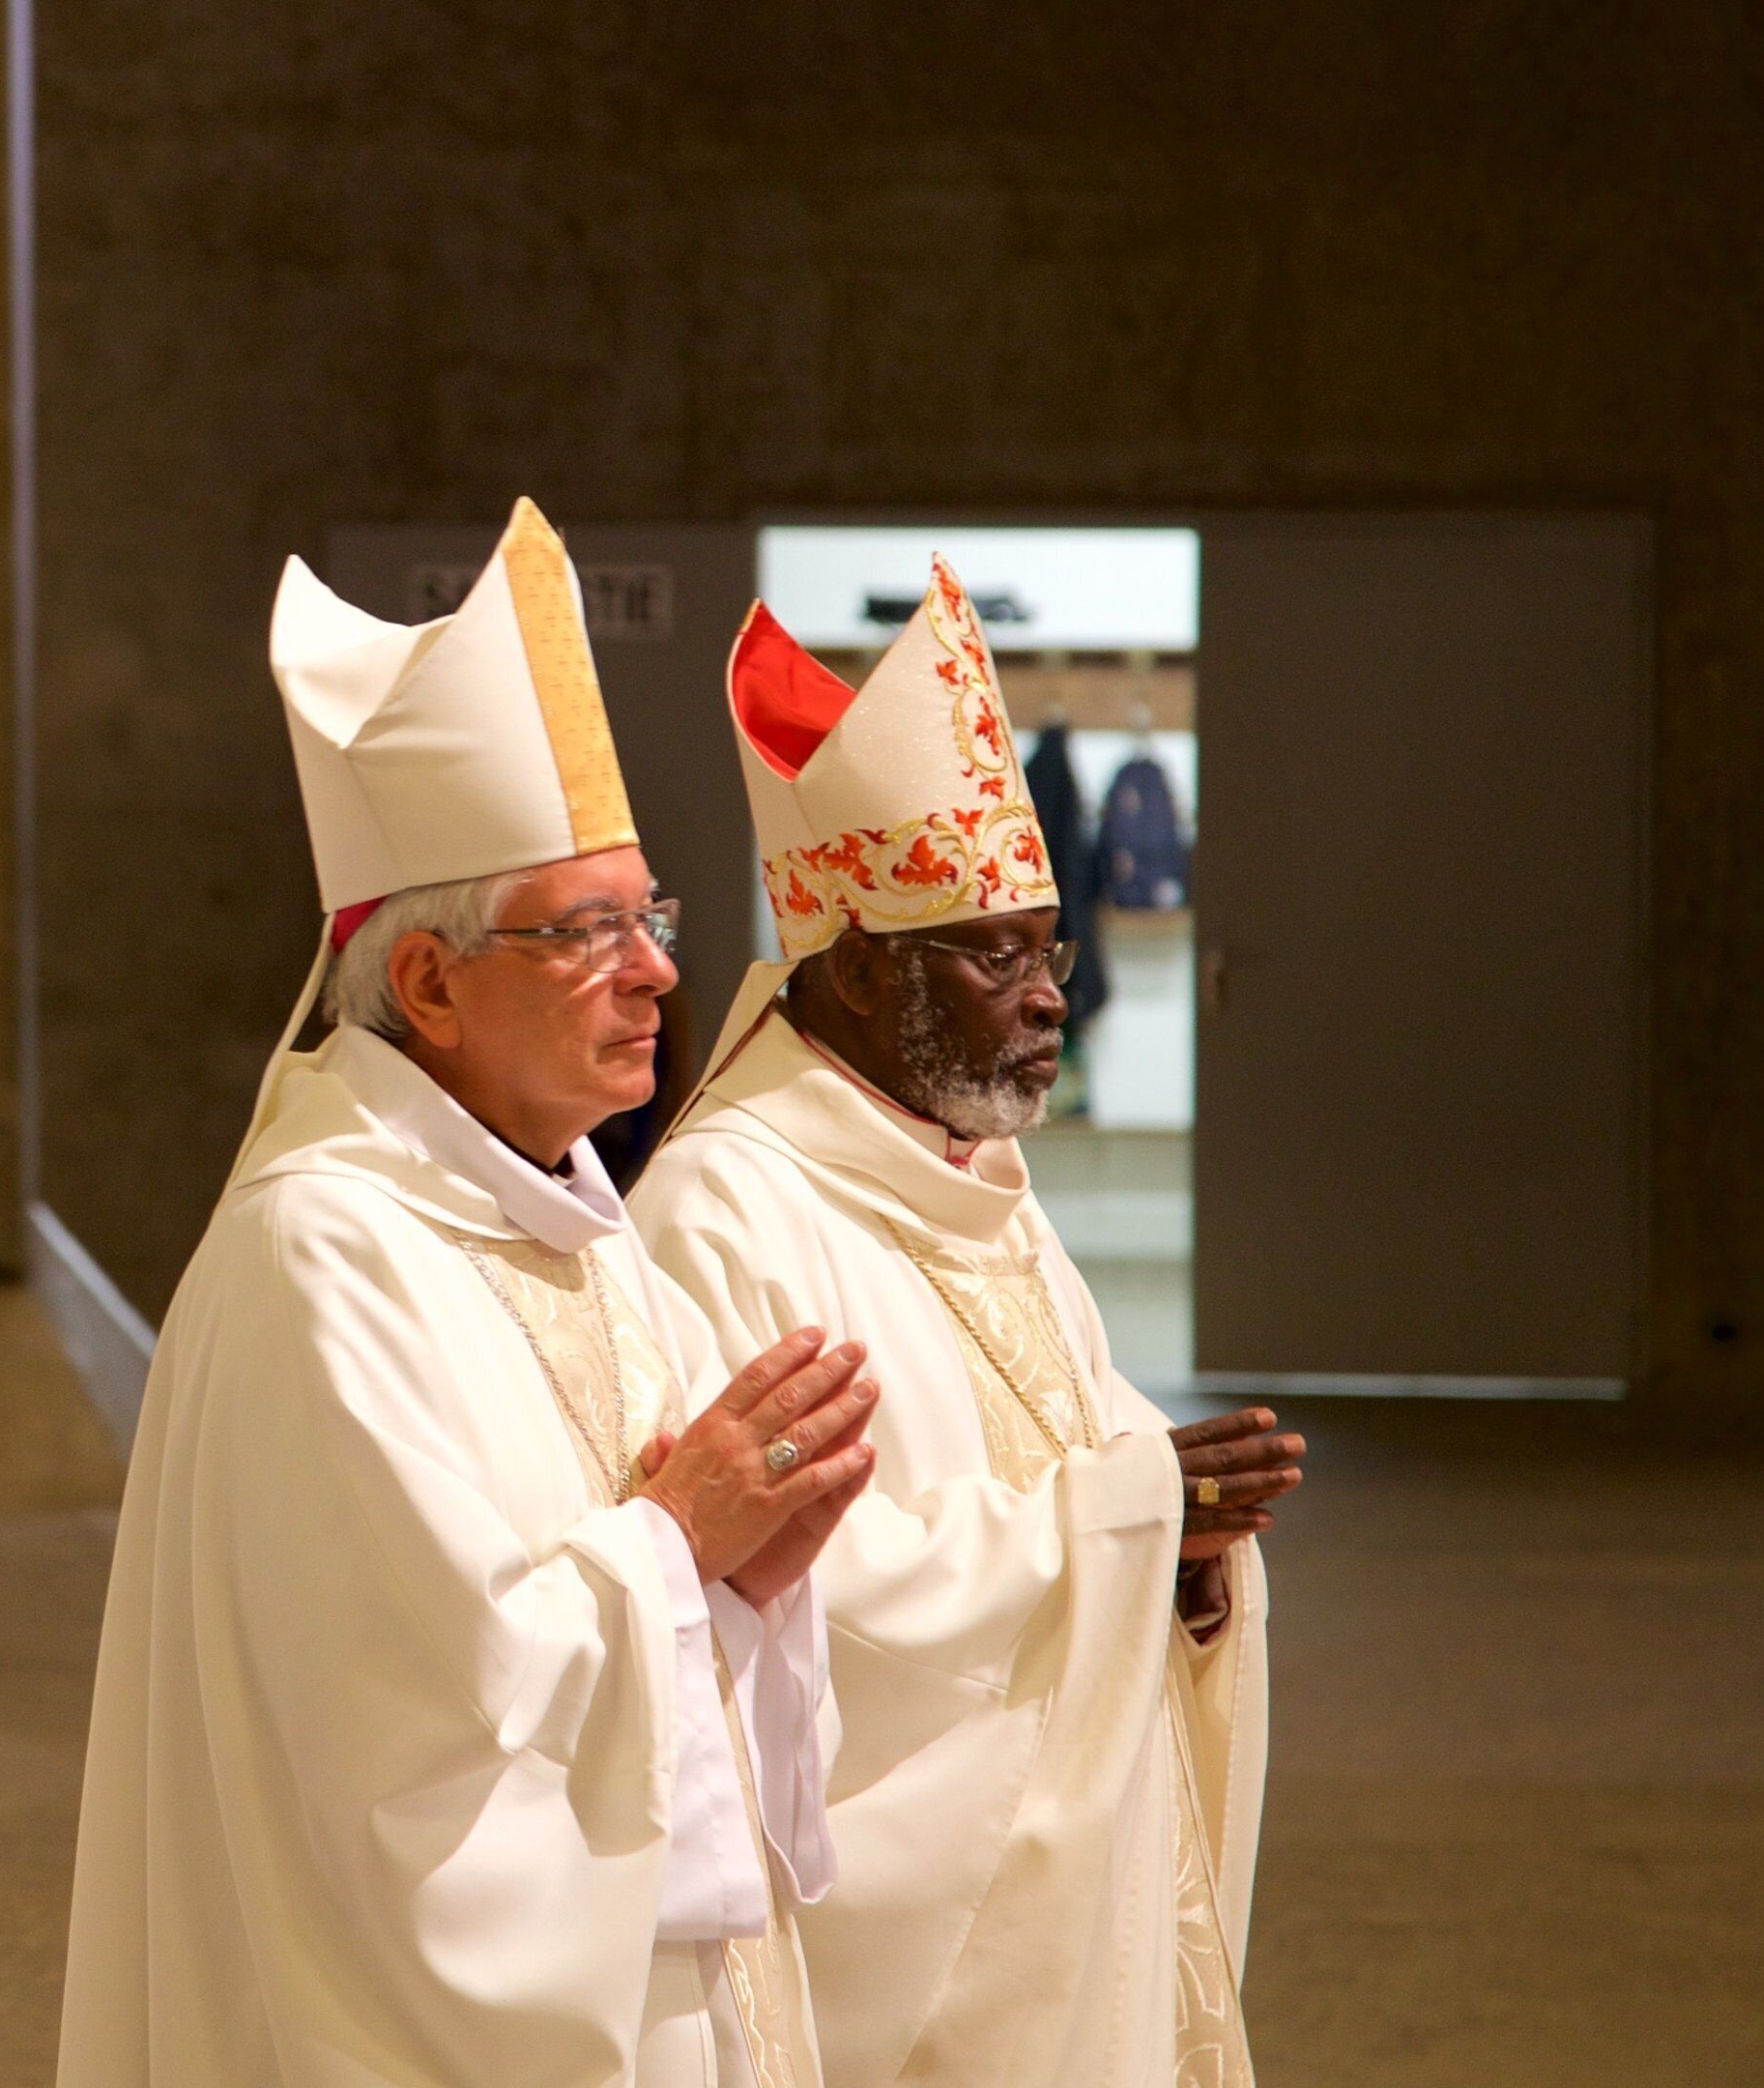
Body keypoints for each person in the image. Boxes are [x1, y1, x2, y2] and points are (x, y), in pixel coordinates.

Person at [59, 501, 879, 2088]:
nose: (654, 968)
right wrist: (680, 1544)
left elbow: (635, 1594)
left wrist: (747, 1581)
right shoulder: (324, 1252)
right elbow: (404, 1712)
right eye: (589, 931)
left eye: (653, 918)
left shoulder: (580, 1223)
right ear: (427, 984)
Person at [628, 562, 1301, 2088]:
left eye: (1047, 949)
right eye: (995, 954)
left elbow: (1081, 1439)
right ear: (863, 970)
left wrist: (1183, 1560)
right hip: (900, 1937)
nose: (1051, 997)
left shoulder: (973, 1172)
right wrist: (1128, 1520)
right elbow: (789, 1593)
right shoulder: (723, 1209)